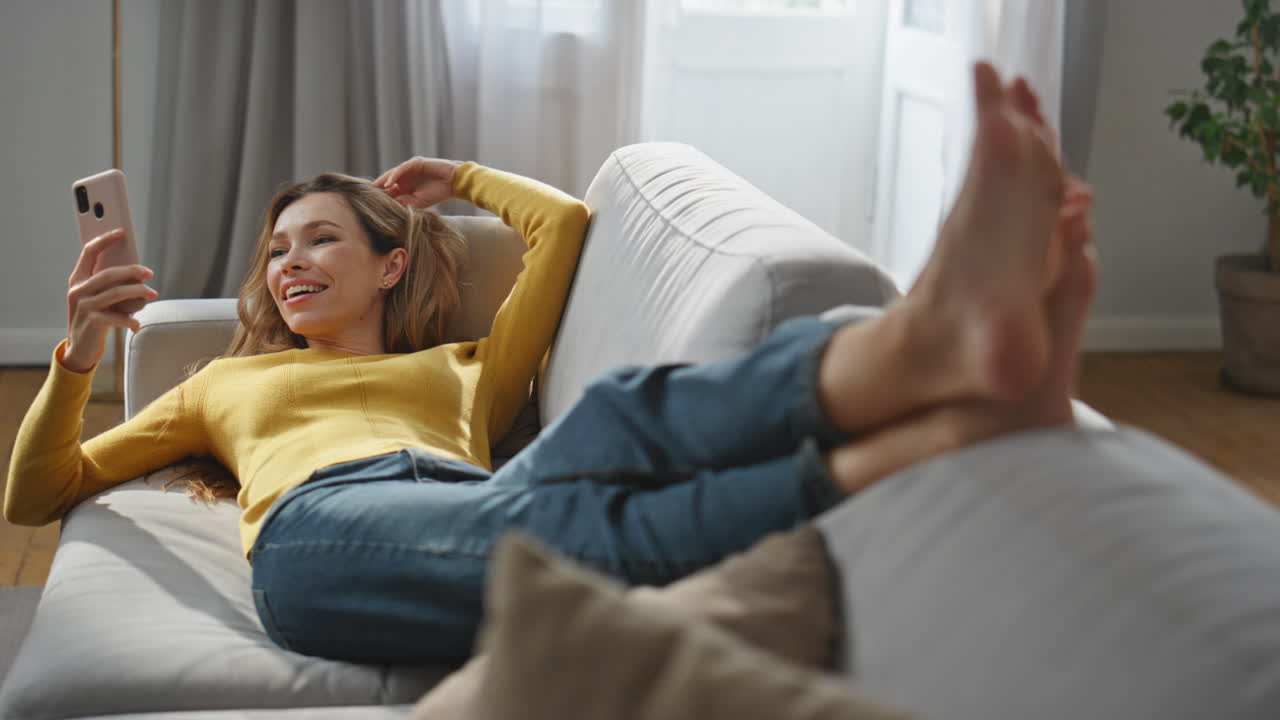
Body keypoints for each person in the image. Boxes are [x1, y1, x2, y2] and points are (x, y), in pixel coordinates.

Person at [5, 62, 1095, 666]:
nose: (290, 264)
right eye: (277, 251)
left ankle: (920, 349)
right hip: (320, 537)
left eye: (322, 237)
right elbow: (36, 494)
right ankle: (914, 448)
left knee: (620, 413)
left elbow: (565, 229)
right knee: (587, 533)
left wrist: (459, 174)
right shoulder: (222, 386)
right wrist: (79, 352)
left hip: (481, 496)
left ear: (391, 266)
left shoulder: (466, 368)